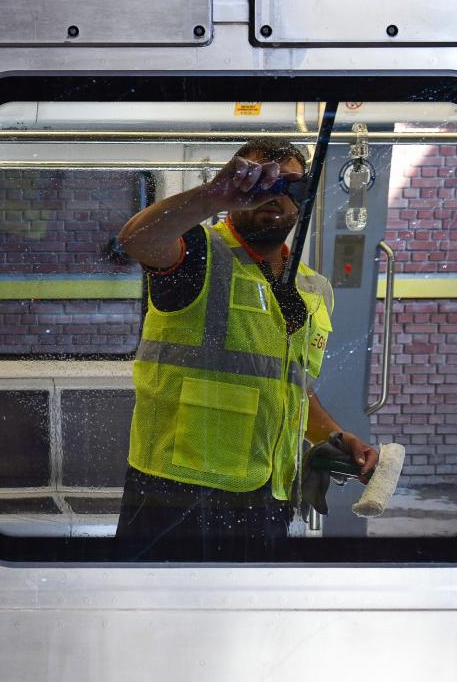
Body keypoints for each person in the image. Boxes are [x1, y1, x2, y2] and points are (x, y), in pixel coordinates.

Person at [114, 137, 377, 559]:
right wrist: (212, 195)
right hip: (175, 497)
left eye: (287, 186)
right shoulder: (200, 252)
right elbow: (136, 241)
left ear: (303, 199)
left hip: (265, 498)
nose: (273, 196)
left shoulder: (312, 287)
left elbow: (290, 387)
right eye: (256, 184)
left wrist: (336, 436)